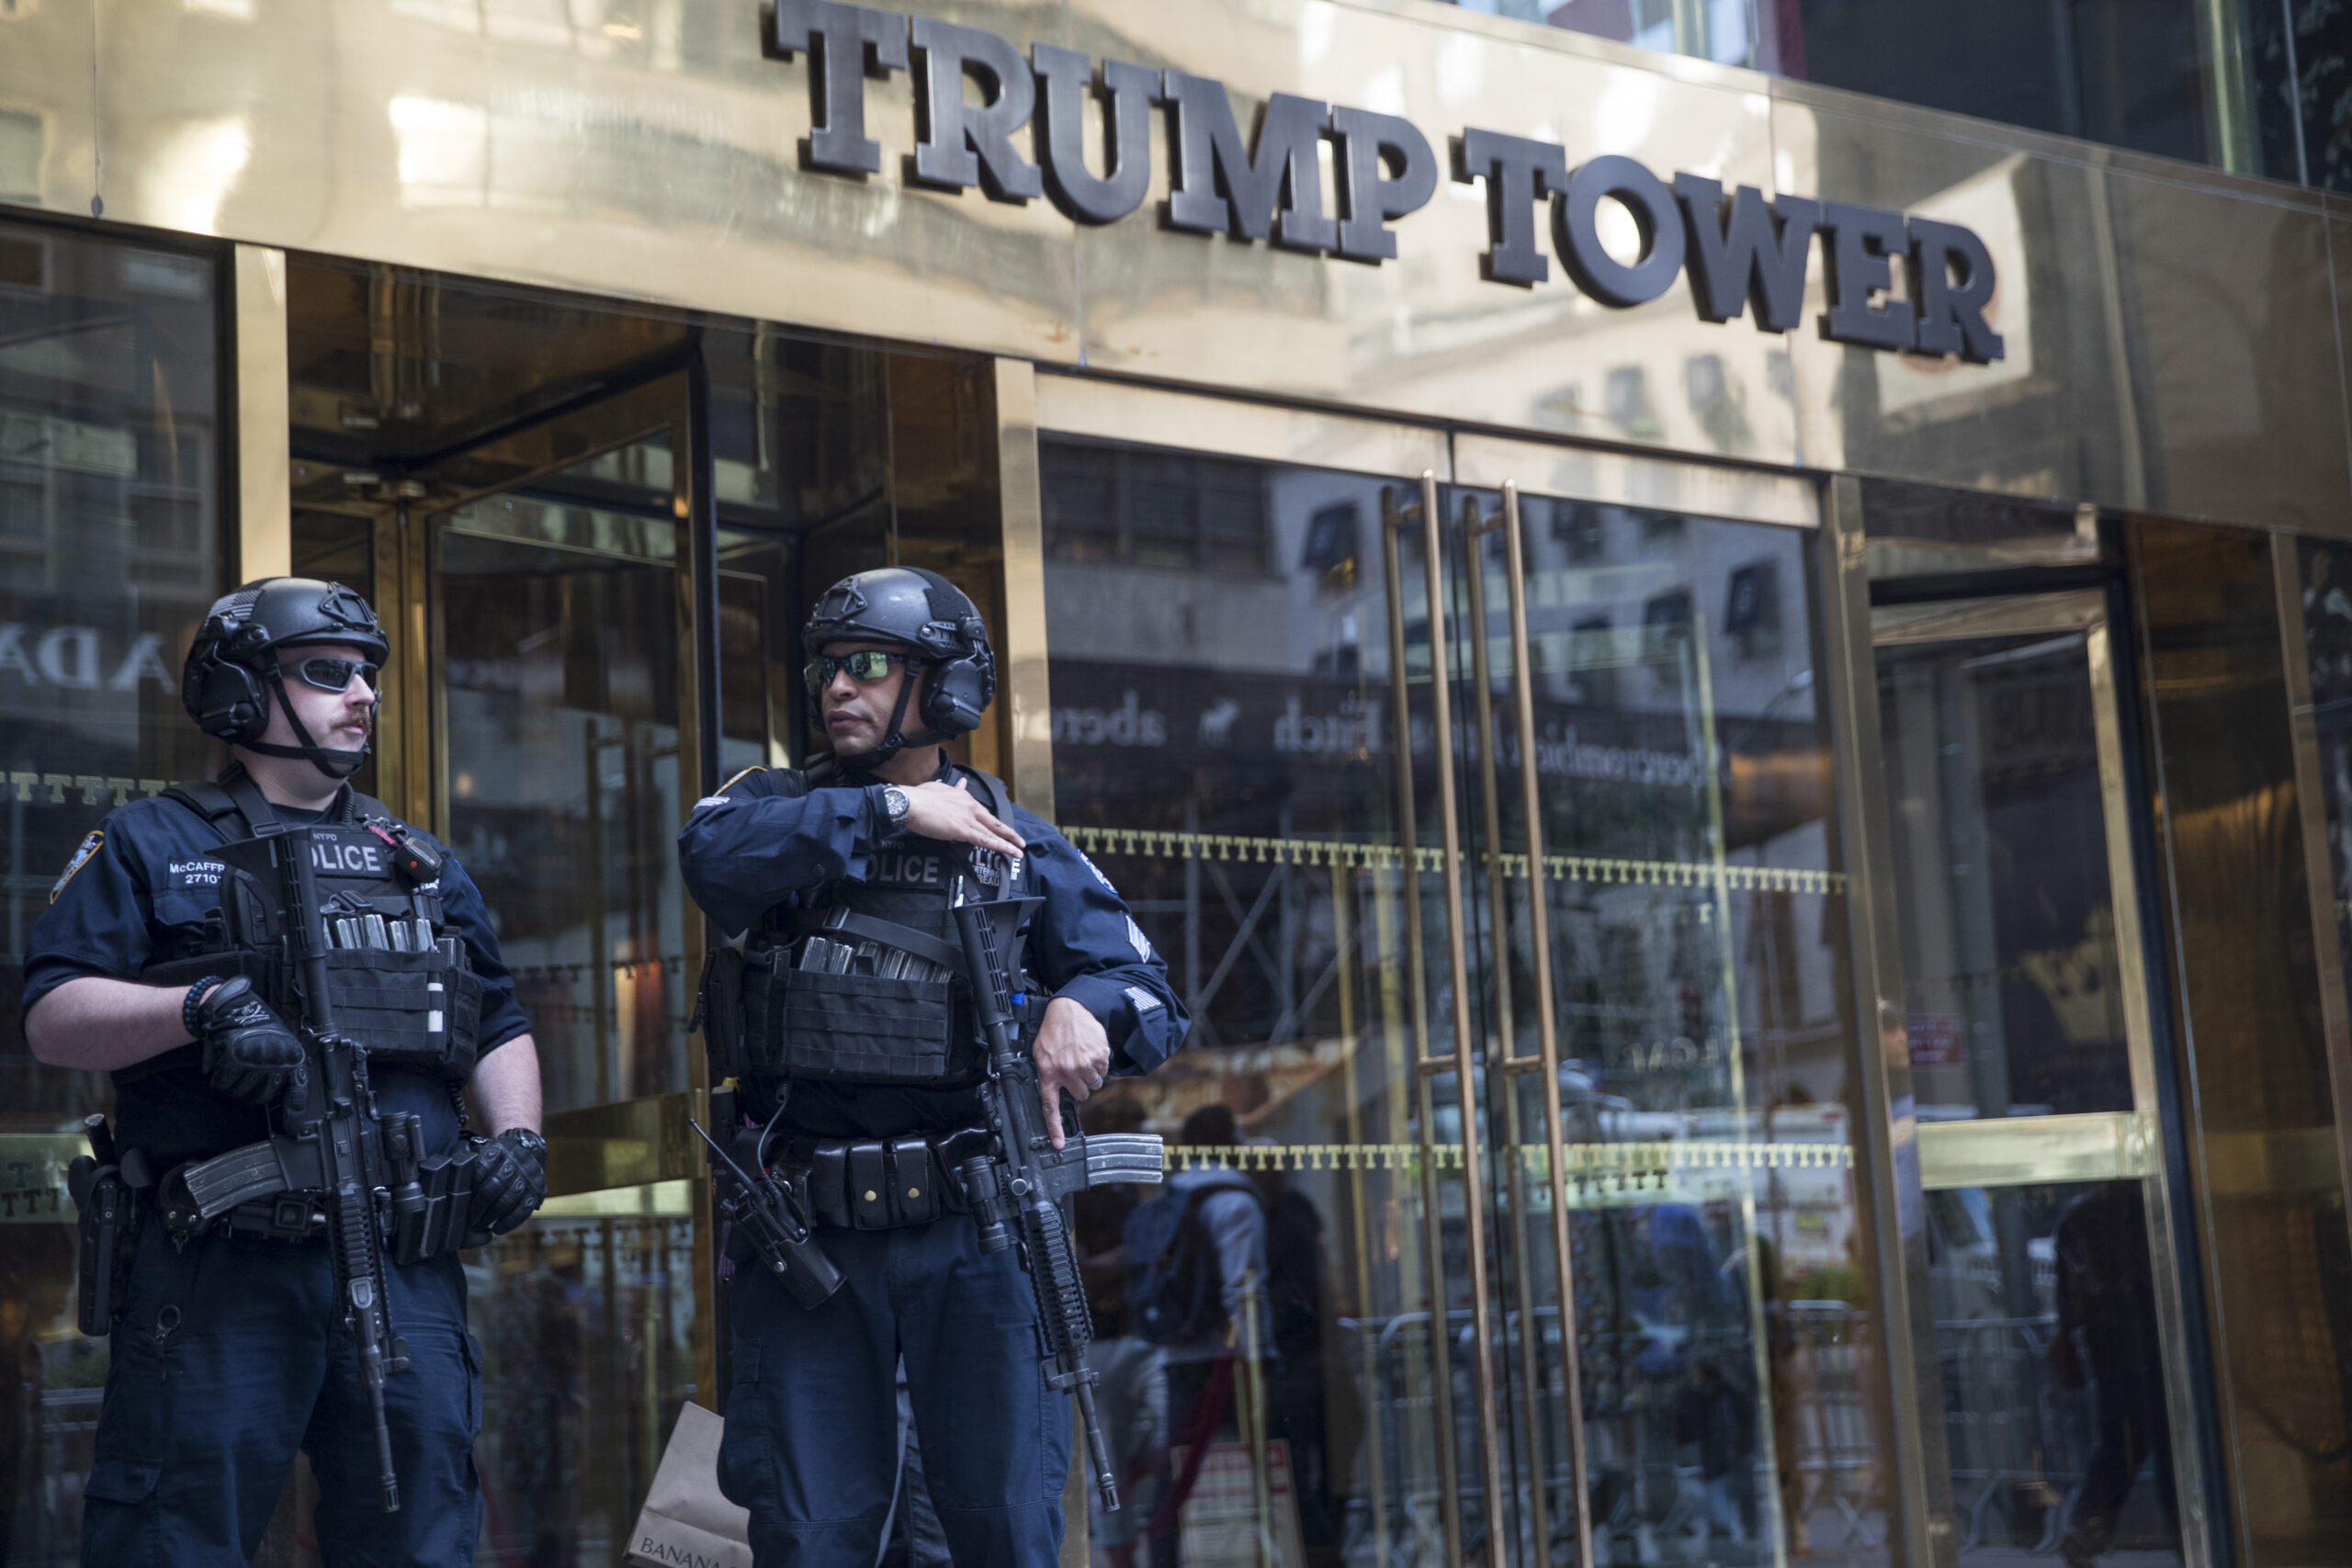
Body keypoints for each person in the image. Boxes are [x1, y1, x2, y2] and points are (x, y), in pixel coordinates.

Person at [21, 577, 546, 1567]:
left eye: (367, 676)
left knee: (422, 1536)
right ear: (235, 694)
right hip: (221, 1273)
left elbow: (499, 1023)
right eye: (325, 672)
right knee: (173, 1539)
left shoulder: (421, 863)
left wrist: (519, 1140)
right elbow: (53, 1017)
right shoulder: (151, 842)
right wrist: (200, 1008)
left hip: (404, 1266)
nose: (362, 696)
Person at [676, 566, 1187, 1567]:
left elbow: (1151, 991)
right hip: (810, 1242)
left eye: (867, 665)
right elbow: (711, 855)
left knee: (1001, 1524)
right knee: (809, 1532)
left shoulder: (1017, 847)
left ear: (944, 688)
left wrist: (1084, 1009)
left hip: (976, 1234)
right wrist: (895, 815)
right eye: (827, 666)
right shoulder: (777, 811)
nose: (836, 687)